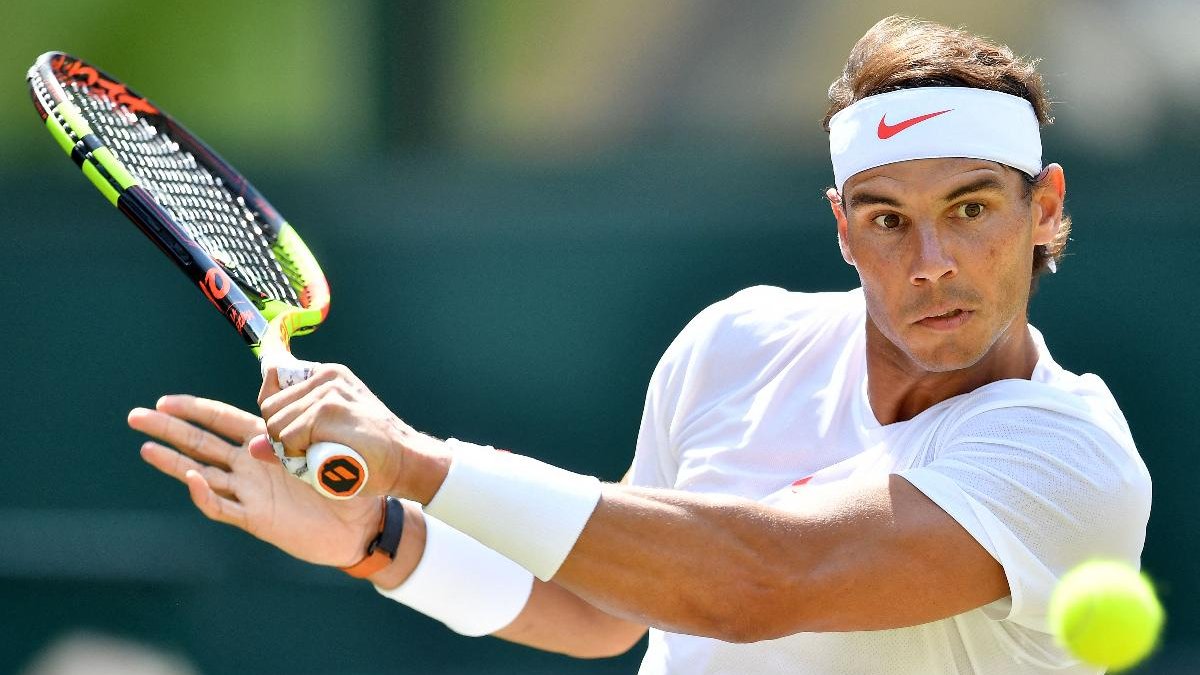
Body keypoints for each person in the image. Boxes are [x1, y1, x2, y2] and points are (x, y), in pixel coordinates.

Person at [128, 15, 1151, 674]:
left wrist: (424, 465)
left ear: (1043, 206)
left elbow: (760, 585)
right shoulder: (735, 344)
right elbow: (603, 607)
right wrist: (380, 539)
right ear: (843, 228)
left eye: (970, 208)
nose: (930, 260)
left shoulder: (1068, 457)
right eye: (887, 219)